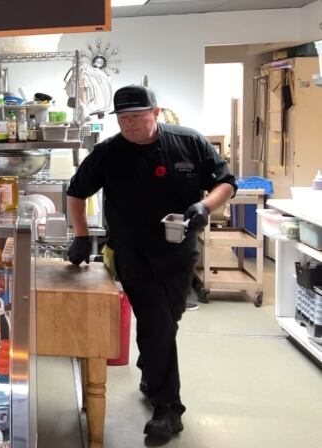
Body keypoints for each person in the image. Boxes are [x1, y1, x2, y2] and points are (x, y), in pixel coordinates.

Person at [66, 85, 236, 443]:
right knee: (157, 320)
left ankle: (150, 371)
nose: (130, 124)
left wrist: (205, 207)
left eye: (138, 116)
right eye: (124, 118)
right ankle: (168, 408)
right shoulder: (109, 153)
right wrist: (81, 236)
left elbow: (225, 183)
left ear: (156, 113)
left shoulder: (188, 142)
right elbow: (76, 192)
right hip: (131, 252)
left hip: (178, 251)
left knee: (164, 321)